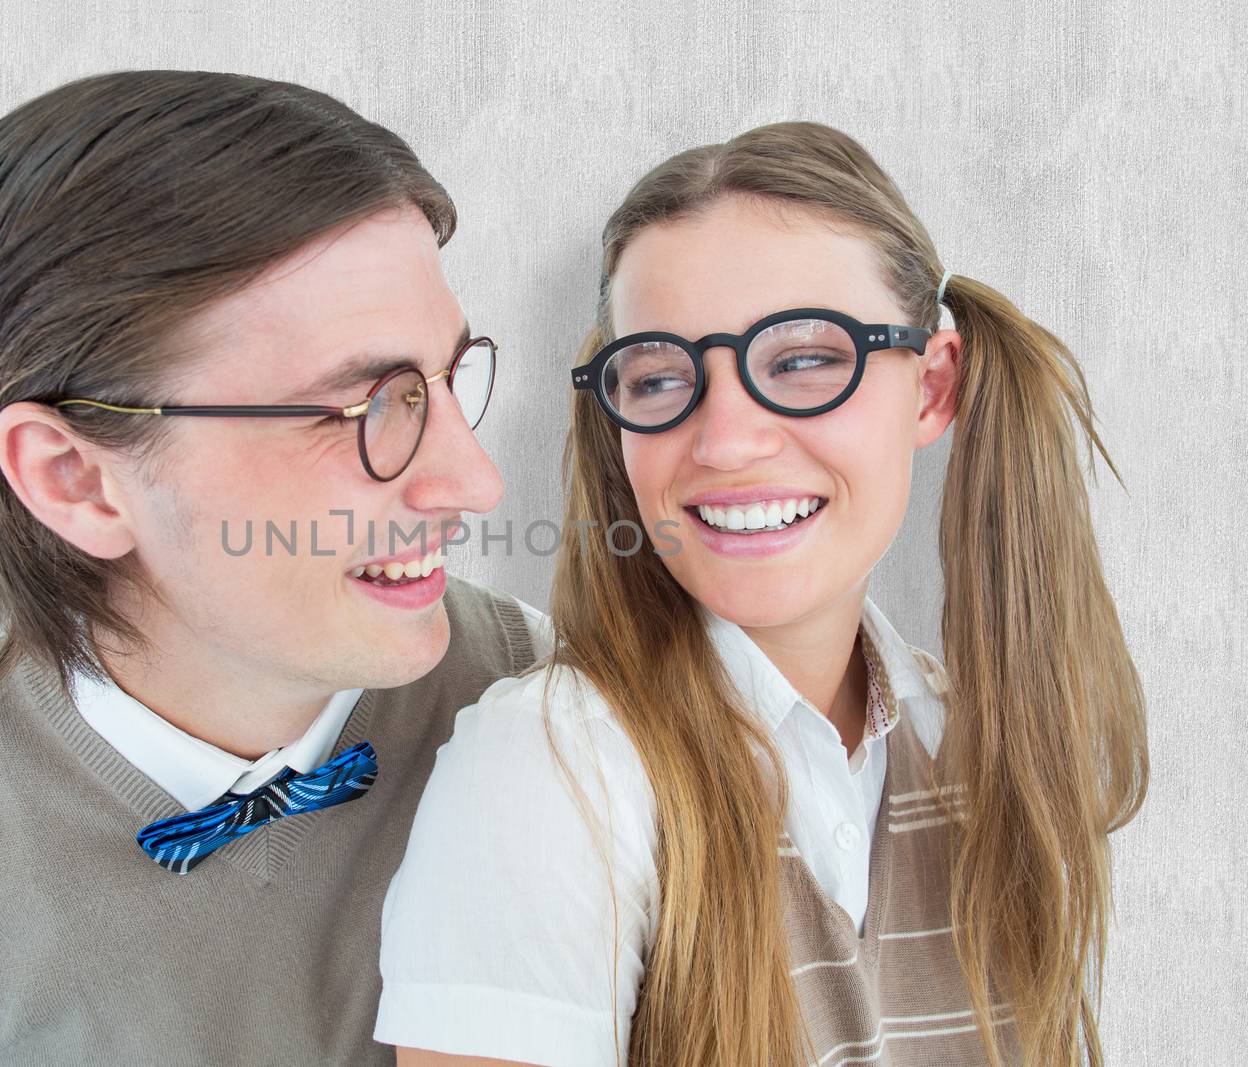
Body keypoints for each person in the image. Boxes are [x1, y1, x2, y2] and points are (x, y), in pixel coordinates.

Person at [0, 69, 549, 1066]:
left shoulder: (556, 704)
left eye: (448, 380)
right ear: (76, 479)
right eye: (362, 407)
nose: (474, 481)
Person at [375, 121, 1148, 1066]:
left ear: (932, 388)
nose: (727, 440)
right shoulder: (552, 771)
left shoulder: (984, 747)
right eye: (661, 376)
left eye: (804, 360)